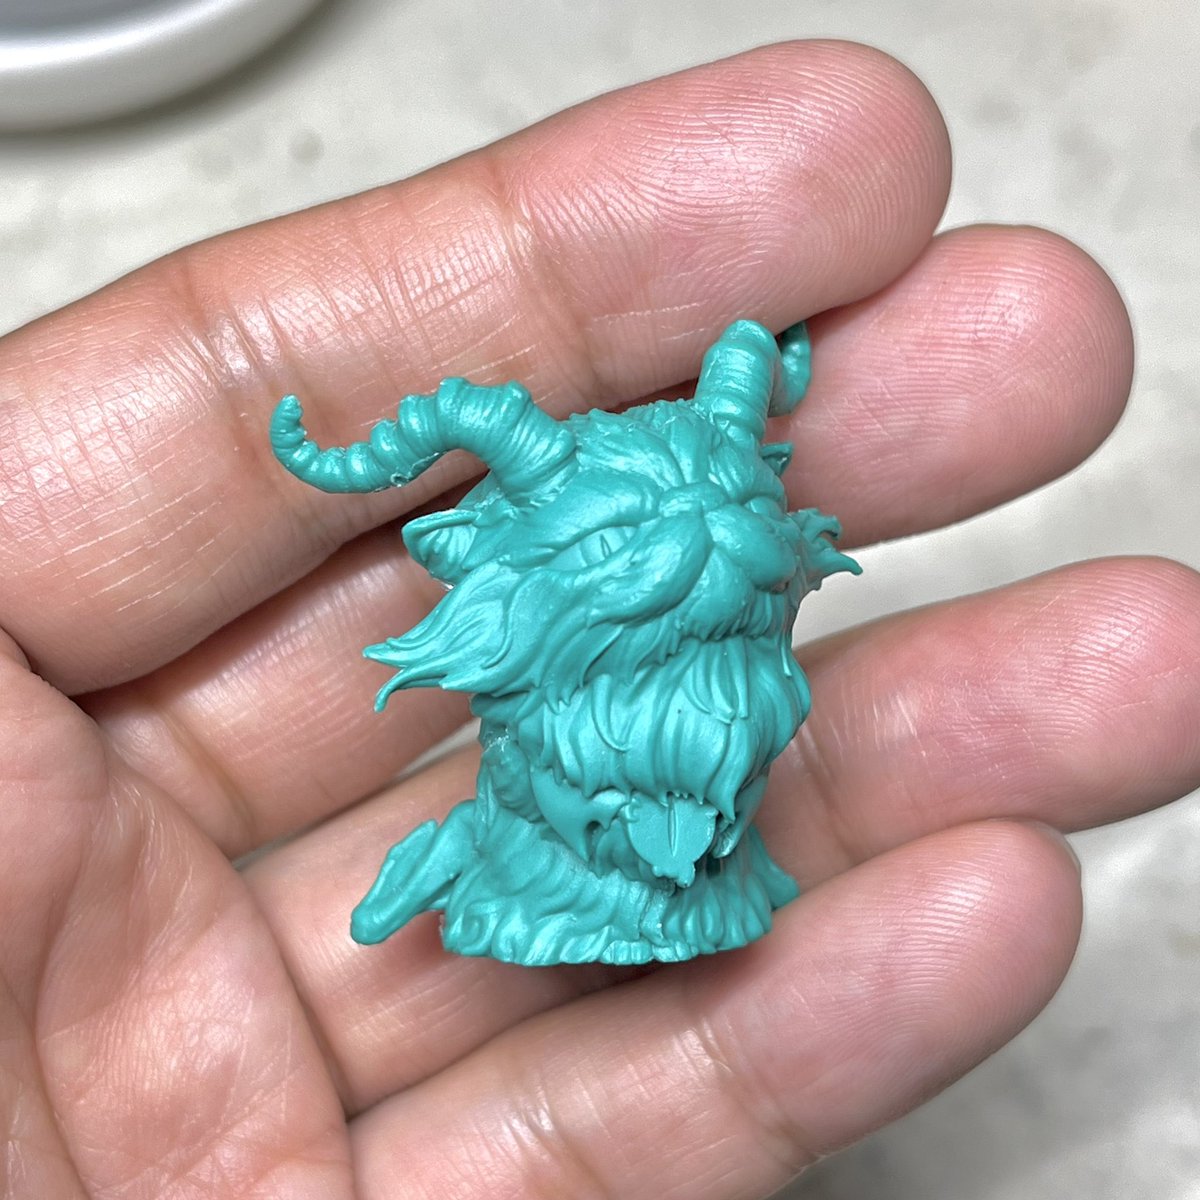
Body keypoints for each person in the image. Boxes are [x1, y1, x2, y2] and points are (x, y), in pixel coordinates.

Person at [0, 39, 1194, 1200]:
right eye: (634, 544)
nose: (691, 541)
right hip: (542, 837)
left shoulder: (726, 645)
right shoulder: (562, 651)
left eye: (722, 515)